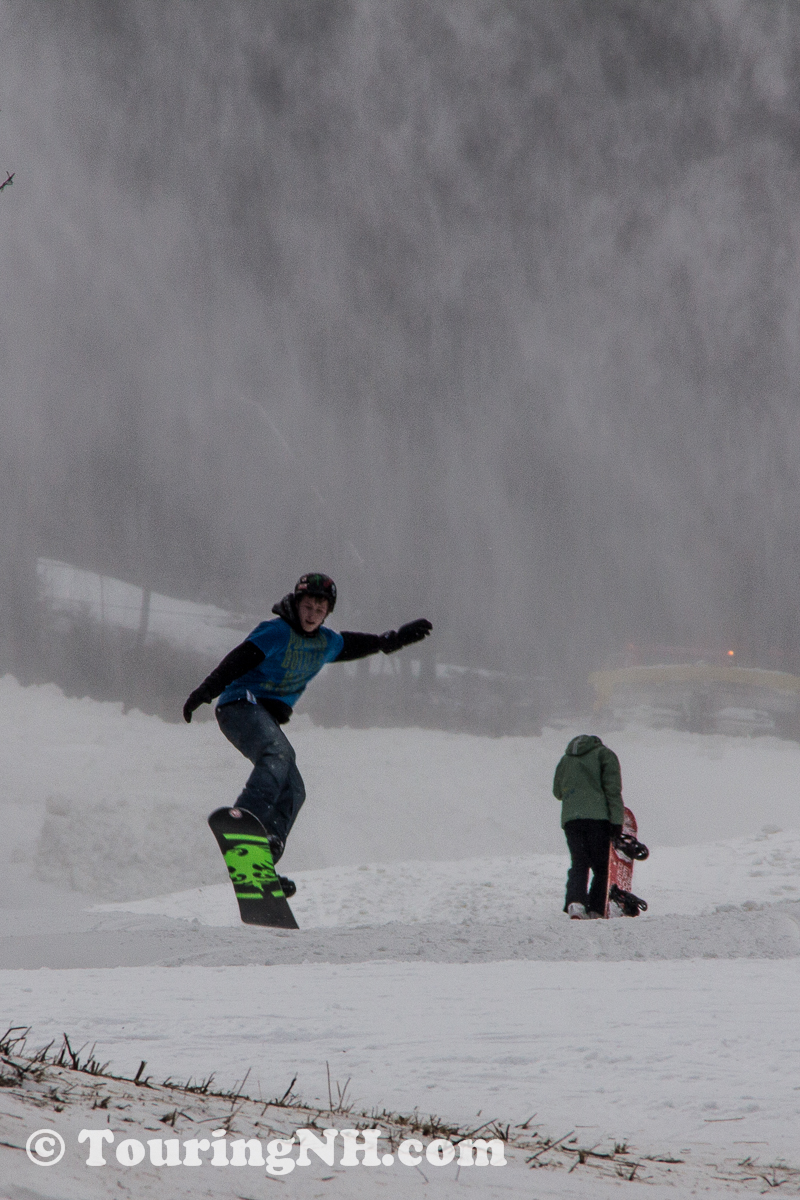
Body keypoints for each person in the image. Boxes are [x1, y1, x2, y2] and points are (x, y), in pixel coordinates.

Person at [183, 572, 432, 893]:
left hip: (263, 717)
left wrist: (393, 639)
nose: (312, 615)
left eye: (320, 609)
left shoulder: (326, 643)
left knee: (295, 789)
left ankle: (260, 862)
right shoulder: (277, 632)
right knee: (278, 753)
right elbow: (236, 662)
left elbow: (358, 643)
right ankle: (244, 822)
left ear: (327, 613)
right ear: (296, 603)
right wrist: (204, 692)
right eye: (308, 607)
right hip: (239, 706)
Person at [552, 734, 624, 919]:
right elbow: (612, 790)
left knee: (579, 862)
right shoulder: (604, 755)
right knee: (602, 866)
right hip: (598, 819)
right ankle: (596, 908)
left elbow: (557, 792)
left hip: (571, 820)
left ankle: (575, 904)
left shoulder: (566, 759)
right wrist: (617, 821)